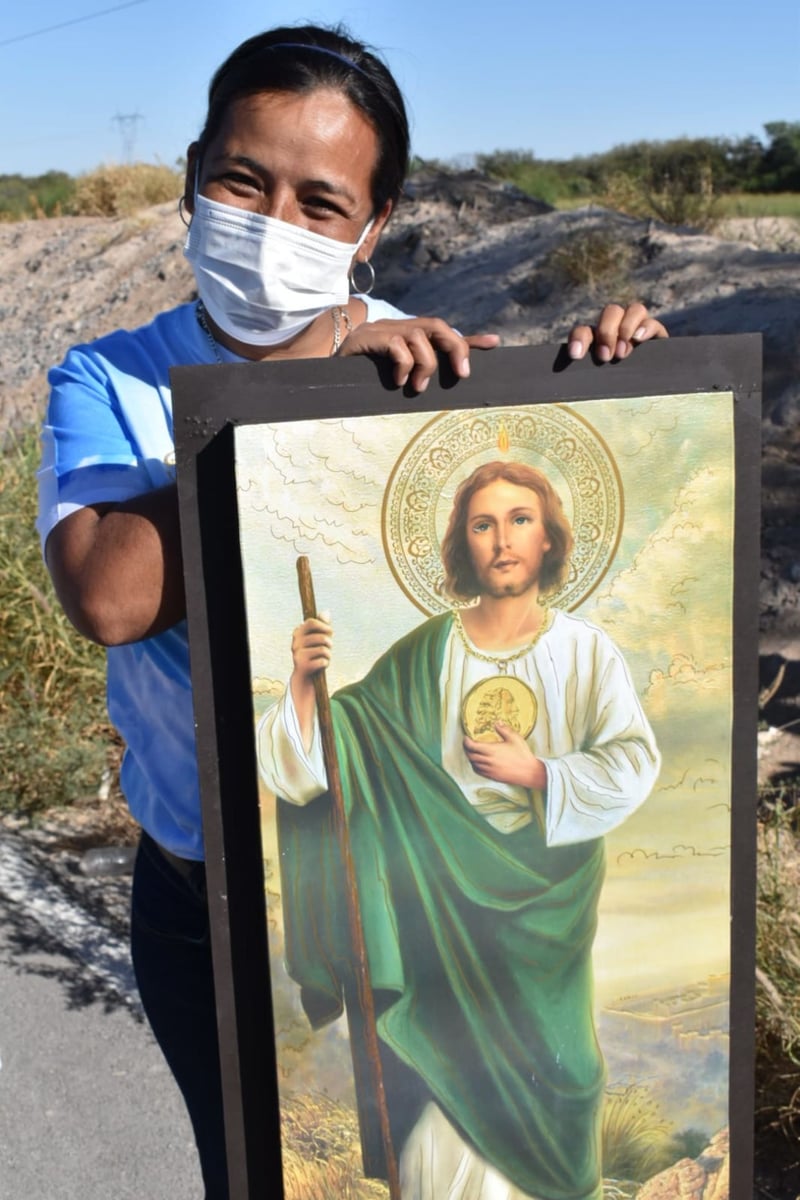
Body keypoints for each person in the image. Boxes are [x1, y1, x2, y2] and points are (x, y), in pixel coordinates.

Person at [36, 23, 667, 1200]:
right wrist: (299, 396)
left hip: (426, 907)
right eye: (241, 180)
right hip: (207, 905)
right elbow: (112, 598)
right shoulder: (108, 379)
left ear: (369, 230)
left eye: (320, 203)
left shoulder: (420, 377)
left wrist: (622, 373)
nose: (273, 223)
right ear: (190, 173)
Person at [259, 460, 661, 1200]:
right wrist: (305, 687)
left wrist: (541, 774)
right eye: (483, 524)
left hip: (543, 925)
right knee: (443, 1135)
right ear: (461, 546)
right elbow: (325, 765)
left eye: (519, 520)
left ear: (549, 541)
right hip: (434, 927)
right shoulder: (423, 656)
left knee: (564, 1081)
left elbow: (633, 763)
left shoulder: (586, 652)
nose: (502, 540)